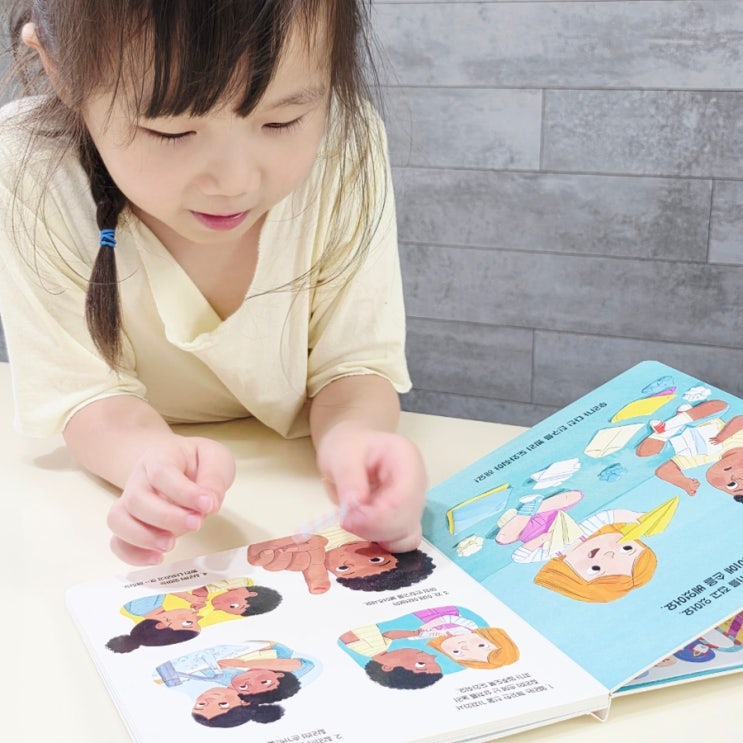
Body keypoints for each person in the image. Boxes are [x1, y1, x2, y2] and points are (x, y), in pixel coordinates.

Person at [0, 1, 427, 566]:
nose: (234, 181)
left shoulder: (346, 143)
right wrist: (151, 462)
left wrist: (358, 439)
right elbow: (85, 394)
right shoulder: (28, 164)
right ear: (57, 67)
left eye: (281, 122)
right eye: (171, 130)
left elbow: (353, 365)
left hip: (294, 481)